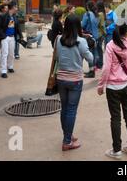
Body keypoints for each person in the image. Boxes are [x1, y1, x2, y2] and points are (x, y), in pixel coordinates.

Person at [98, 22, 127, 160]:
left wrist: (101, 86)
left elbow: (106, 69)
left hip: (112, 87)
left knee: (115, 118)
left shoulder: (111, 45)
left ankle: (116, 150)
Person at [55, 14, 94, 151]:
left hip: (61, 79)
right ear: (78, 26)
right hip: (75, 81)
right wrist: (89, 45)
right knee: (71, 110)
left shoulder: (58, 39)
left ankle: (68, 135)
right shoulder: (81, 41)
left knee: (64, 108)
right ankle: (67, 141)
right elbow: (91, 59)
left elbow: (58, 57)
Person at [0, 3, 22, 79]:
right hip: (5, 38)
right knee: (4, 53)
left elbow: (18, 27)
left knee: (11, 54)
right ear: (12, 7)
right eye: (16, 7)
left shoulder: (14, 17)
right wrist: (3, 36)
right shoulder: (2, 16)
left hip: (12, 37)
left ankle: (10, 66)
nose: (17, 9)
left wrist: (20, 35)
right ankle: (3, 71)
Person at [82, 1, 100, 78]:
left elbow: (83, 25)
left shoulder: (87, 14)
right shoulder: (96, 15)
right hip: (96, 36)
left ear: (87, 7)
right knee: (94, 53)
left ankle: (92, 72)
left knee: (89, 54)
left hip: (89, 36)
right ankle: (92, 69)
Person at [95, 0, 106, 71]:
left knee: (98, 49)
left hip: (99, 34)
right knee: (98, 49)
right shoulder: (102, 13)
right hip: (100, 33)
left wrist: (104, 33)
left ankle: (100, 64)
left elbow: (101, 25)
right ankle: (99, 63)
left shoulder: (100, 14)